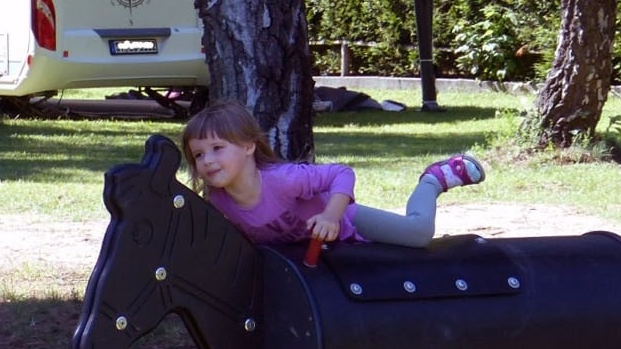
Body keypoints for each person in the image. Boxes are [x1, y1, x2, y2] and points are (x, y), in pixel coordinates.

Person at [179, 99, 484, 248]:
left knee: (417, 236)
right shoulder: (220, 203)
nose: (207, 161)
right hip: (320, 255)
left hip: (348, 221)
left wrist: (331, 216)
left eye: (218, 148)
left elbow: (342, 174)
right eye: (198, 154)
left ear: (248, 146)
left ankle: (434, 179)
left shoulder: (282, 180)